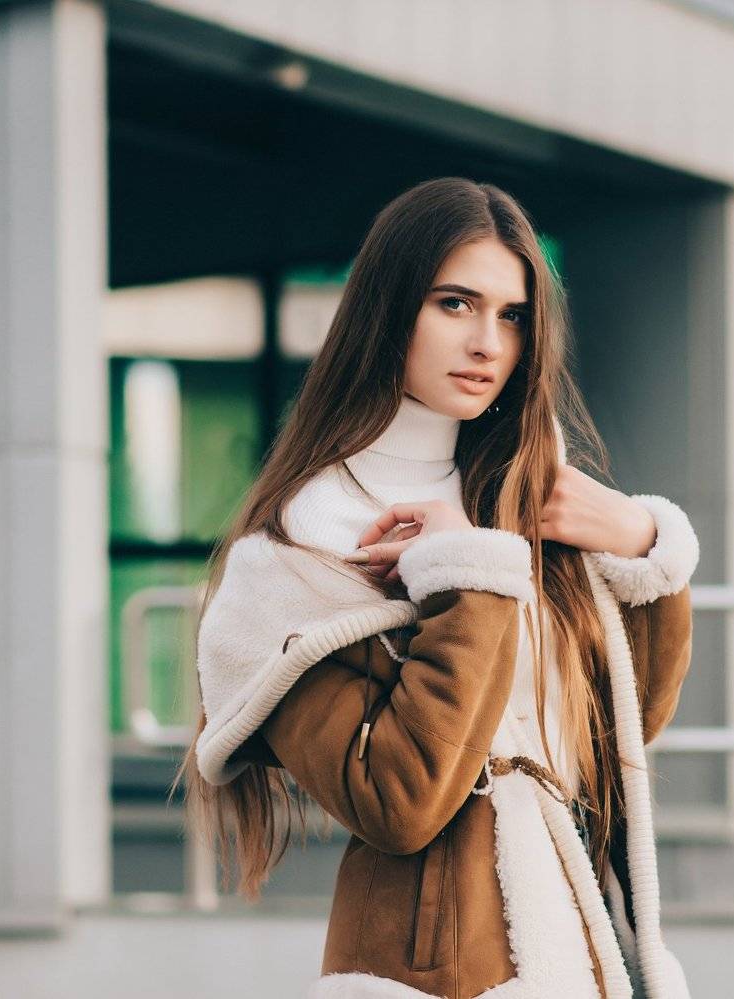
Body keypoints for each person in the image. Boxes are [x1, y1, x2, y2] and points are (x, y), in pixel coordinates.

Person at [176, 176, 698, 999]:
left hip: (585, 953)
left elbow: (620, 731)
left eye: (511, 314)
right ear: (389, 311)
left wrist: (645, 548)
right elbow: (403, 798)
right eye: (455, 304)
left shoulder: (524, 494)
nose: (487, 341)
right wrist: (468, 579)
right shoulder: (294, 556)